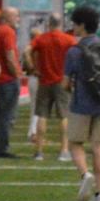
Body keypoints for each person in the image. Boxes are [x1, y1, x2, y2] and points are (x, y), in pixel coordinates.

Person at [64, 6, 100, 201]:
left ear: (82, 25)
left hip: (81, 104)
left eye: (75, 24)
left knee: (75, 143)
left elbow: (65, 83)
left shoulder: (74, 52)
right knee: (98, 147)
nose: (73, 27)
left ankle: (85, 174)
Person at [30, 12, 78, 162]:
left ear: (49, 24)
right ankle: (64, 150)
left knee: (42, 116)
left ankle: (39, 152)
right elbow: (78, 56)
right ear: (61, 24)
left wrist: (33, 68)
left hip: (45, 81)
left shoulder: (41, 39)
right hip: (62, 81)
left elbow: (27, 51)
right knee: (64, 116)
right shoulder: (69, 39)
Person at [0, 6, 22, 158]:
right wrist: (17, 74)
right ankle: (1, 148)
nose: (18, 19)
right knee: (7, 116)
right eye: (17, 16)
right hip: (7, 79)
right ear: (8, 18)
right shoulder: (8, 32)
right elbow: (9, 55)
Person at [22, 25, 42, 142]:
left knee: (34, 108)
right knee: (38, 109)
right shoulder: (35, 48)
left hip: (31, 79)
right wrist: (33, 68)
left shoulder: (30, 47)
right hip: (37, 78)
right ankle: (34, 133)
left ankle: (32, 132)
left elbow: (24, 65)